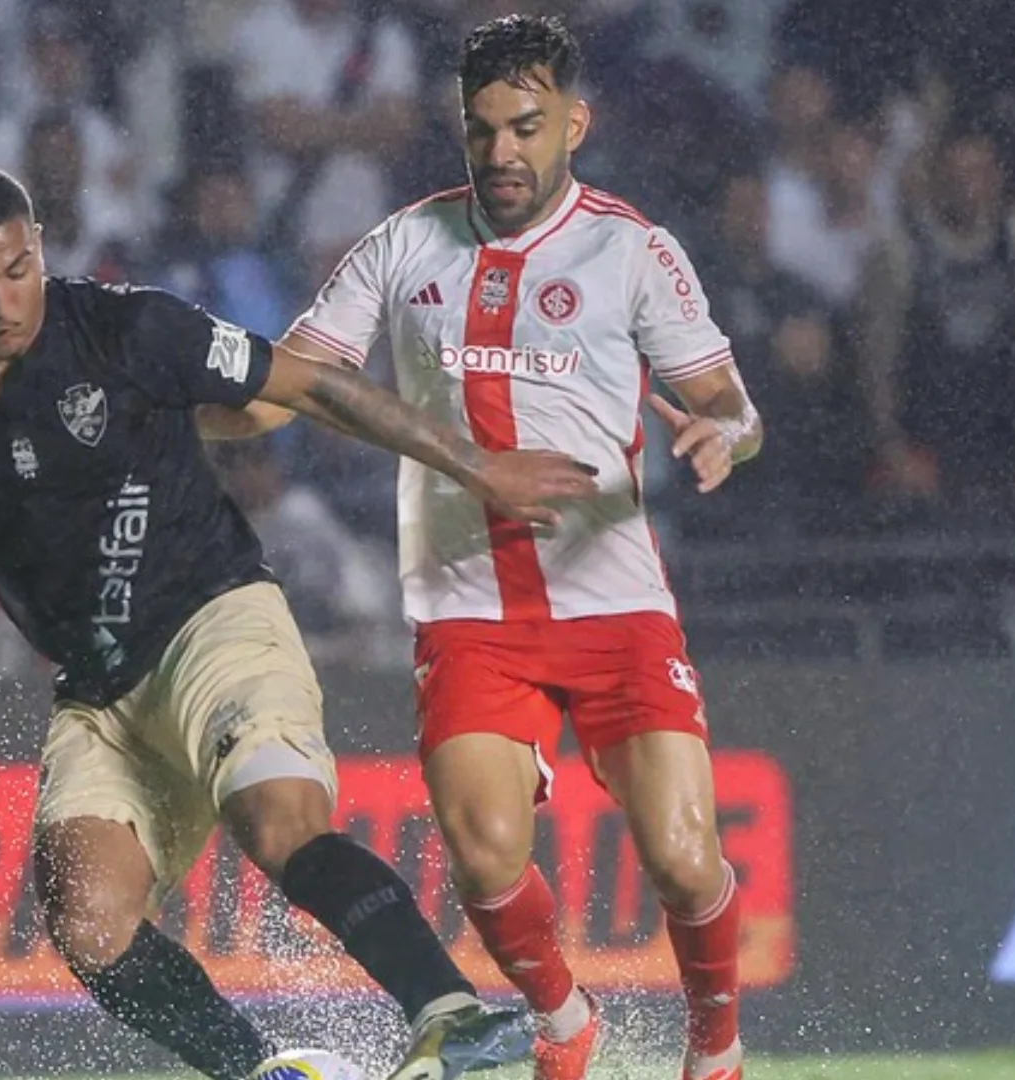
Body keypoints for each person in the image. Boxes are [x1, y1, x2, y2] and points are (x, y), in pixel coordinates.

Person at [0, 163, 603, 1080]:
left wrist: (474, 464)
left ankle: (450, 1014)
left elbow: (311, 387)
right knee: (87, 924)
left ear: (38, 249)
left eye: (17, 269)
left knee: (277, 820)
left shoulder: (129, 329)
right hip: (97, 690)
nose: (1, 300)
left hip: (215, 619)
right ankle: (261, 1073)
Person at [201, 16, 763, 1080]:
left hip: (615, 608)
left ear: (574, 125)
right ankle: (563, 1023)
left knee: (688, 865)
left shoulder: (633, 248)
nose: (502, 151)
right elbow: (293, 387)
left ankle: (716, 1047)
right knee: (485, 852)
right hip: (467, 612)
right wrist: (173, 408)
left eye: (526, 126)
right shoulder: (402, 245)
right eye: (482, 129)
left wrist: (721, 433)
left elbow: (734, 404)